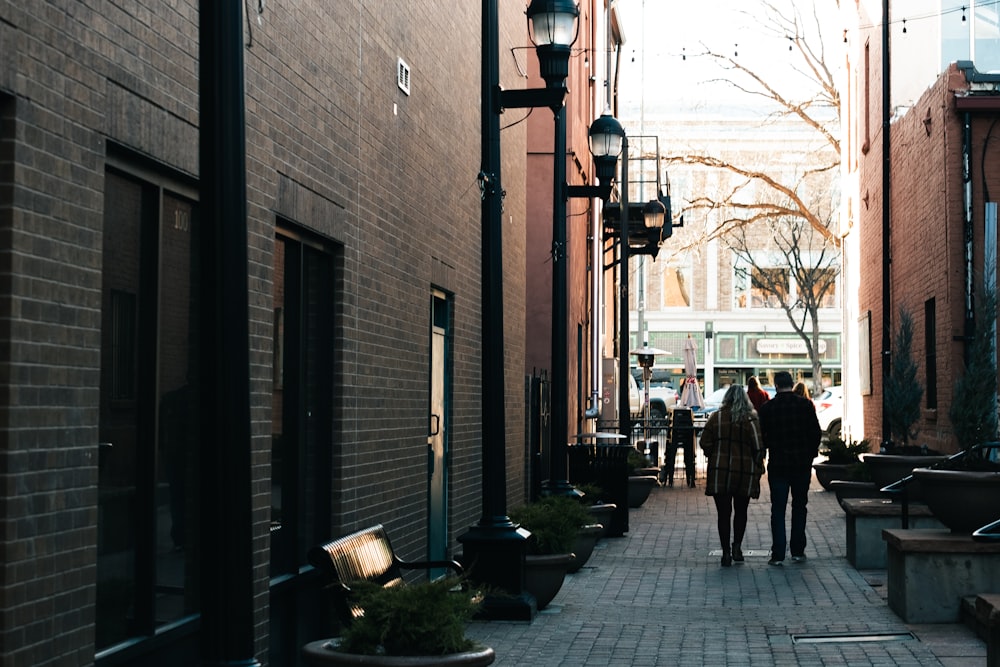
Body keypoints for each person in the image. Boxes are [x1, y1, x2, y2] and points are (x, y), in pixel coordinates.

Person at [757, 370, 822, 566]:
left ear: (776, 385)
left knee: (778, 509)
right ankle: (798, 550)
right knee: (799, 506)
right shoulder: (805, 405)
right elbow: (816, 433)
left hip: (778, 464)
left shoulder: (768, 408)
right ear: (792, 384)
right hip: (801, 464)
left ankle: (778, 553)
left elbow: (762, 437)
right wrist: (810, 454)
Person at [699, 385, 764, 567]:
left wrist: (714, 453)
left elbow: (704, 442)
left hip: (720, 472)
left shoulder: (716, 418)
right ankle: (737, 547)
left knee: (723, 514)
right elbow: (759, 447)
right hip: (744, 472)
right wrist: (757, 464)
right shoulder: (751, 420)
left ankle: (725, 552)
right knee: (741, 512)